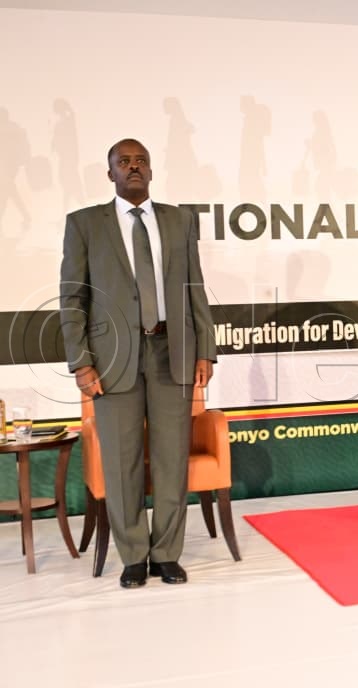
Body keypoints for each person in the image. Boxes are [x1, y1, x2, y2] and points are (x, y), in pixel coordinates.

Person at [60, 138, 217, 587]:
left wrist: (204, 348)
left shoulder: (179, 220)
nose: (133, 167)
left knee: (171, 458)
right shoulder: (85, 224)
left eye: (141, 161)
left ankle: (167, 553)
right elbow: (73, 299)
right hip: (112, 359)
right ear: (109, 174)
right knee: (122, 460)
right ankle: (133, 555)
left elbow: (194, 287)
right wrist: (81, 363)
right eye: (123, 162)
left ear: (152, 171)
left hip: (173, 351)